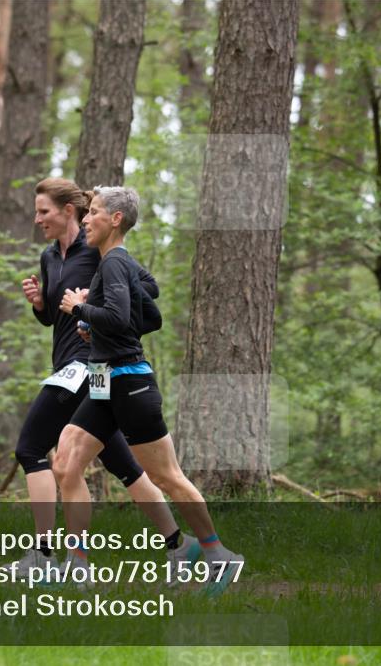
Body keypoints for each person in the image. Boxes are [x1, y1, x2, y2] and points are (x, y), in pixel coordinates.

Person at [52, 186, 244, 596]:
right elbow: (149, 315)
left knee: (166, 475)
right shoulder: (116, 265)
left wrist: (78, 310)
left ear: (115, 220)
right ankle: (79, 567)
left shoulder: (116, 263)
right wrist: (92, 328)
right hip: (105, 378)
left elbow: (121, 318)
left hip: (129, 383)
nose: (86, 219)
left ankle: (217, 554)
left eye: (95, 213)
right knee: (66, 461)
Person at [14, 178, 199, 581]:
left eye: (44, 211)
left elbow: (146, 287)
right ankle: (178, 545)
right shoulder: (49, 257)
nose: (37, 218)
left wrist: (91, 308)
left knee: (31, 448)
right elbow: (54, 317)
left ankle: (45, 557)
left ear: (68, 211)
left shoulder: (98, 252)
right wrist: (41, 305)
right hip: (89, 370)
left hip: (85, 365)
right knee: (123, 465)